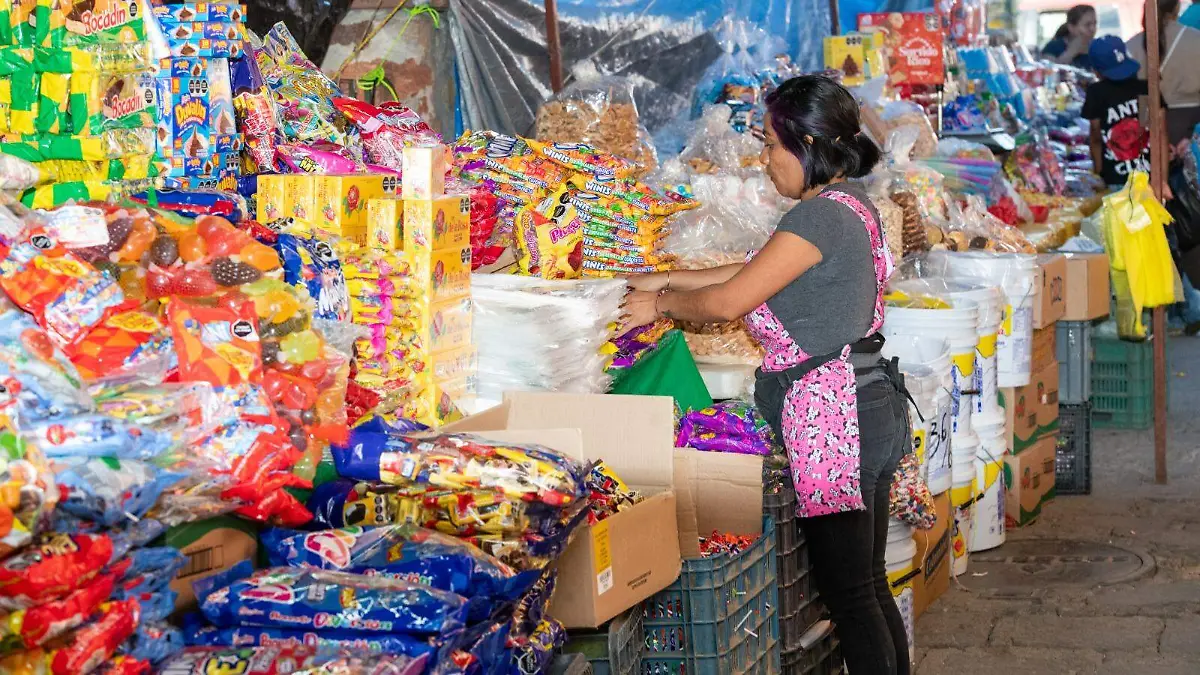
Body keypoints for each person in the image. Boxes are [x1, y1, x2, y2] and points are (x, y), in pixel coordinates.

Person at [621, 75, 912, 675]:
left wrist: (660, 306)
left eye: (772, 146)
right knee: (867, 586)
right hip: (867, 405)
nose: (765, 159)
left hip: (837, 422)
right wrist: (662, 278)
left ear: (808, 145)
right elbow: (752, 270)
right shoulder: (849, 204)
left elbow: (729, 301)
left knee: (851, 596)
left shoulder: (818, 218)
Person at [1127, 0, 1200, 145]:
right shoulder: (1195, 38)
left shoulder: (1130, 46)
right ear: (1177, 7)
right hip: (1190, 123)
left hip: (1146, 122)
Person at [1082, 36, 1152, 188]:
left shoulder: (1096, 92)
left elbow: (1095, 136)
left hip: (1114, 178)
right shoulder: (1143, 89)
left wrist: (1098, 173)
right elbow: (1148, 130)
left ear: (1096, 71)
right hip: (1146, 175)